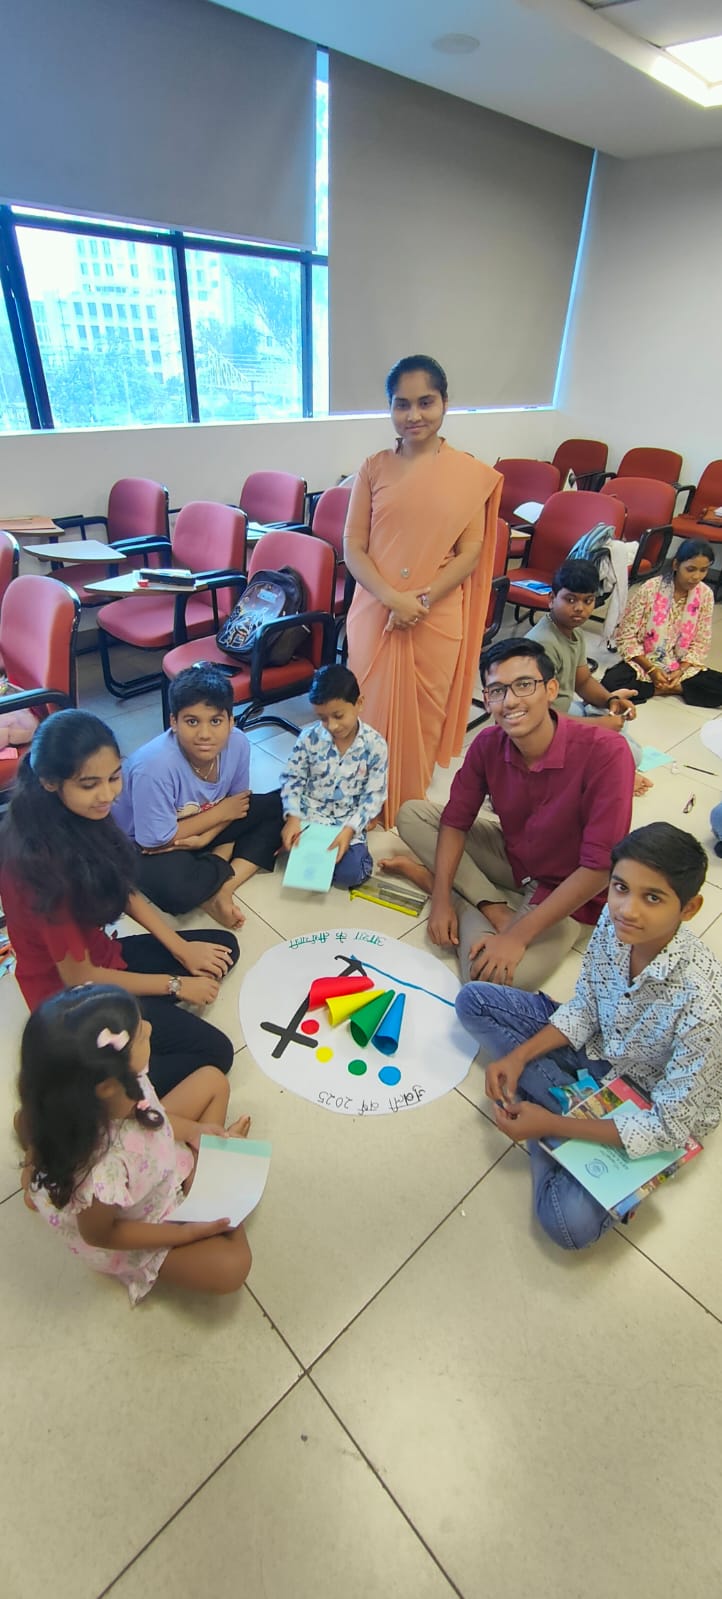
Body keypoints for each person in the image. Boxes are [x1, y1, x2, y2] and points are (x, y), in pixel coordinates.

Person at [455, 823, 722, 1251]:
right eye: (620, 887)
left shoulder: (704, 1005)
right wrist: (519, 1057)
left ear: (689, 908)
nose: (627, 909)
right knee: (474, 1000)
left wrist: (550, 1126)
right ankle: (557, 1101)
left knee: (567, 1223)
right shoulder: (613, 925)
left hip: (645, 1098)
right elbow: (585, 1008)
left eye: (653, 898)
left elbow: (670, 1126)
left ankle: (553, 1112)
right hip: (598, 1049)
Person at [0, 710, 239, 1095]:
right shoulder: (42, 869)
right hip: (73, 1000)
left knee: (222, 949)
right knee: (215, 1054)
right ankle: (97, 1091)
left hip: (101, 955)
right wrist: (176, 985)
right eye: (89, 784)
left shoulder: (77, 814)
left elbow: (121, 887)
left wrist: (181, 948)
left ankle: (141, 1016)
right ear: (49, 782)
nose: (108, 795)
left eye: (114, 777)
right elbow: (80, 978)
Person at [385, 638, 634, 990]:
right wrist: (440, 902)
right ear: (487, 700)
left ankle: (459, 896)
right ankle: (484, 902)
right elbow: (455, 821)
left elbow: (598, 869)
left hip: (568, 891)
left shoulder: (606, 752)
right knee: (412, 814)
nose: (511, 701)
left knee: (489, 979)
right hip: (515, 859)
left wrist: (517, 936)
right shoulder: (488, 744)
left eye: (524, 685)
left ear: (550, 690)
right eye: (497, 691)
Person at [16, 985, 252, 1301]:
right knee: (233, 1267)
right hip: (140, 1222)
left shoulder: (120, 1084)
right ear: (107, 1086)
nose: (150, 1029)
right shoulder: (102, 1173)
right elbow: (102, 1234)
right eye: (140, 1034)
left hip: (151, 1156)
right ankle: (37, 1177)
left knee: (213, 1081)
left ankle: (35, 1161)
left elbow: (156, 1116)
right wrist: (184, 1232)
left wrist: (196, 1131)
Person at [344, 354, 502, 826]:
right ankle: (364, 796)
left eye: (425, 402)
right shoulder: (373, 468)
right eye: (402, 404)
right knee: (367, 705)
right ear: (390, 407)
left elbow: (471, 552)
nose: (413, 415)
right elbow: (353, 547)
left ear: (445, 403)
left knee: (425, 713)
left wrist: (422, 601)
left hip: (437, 614)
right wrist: (394, 599)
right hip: (376, 611)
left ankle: (408, 801)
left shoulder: (469, 474)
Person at [114, 664, 283, 927]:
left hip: (194, 830)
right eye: (192, 721)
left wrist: (208, 837)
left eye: (215, 721)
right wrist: (220, 816)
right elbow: (154, 840)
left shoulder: (238, 742)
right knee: (178, 892)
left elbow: (238, 806)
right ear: (174, 722)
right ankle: (210, 877)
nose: (204, 734)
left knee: (280, 805)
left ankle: (223, 888)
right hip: (145, 843)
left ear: (230, 721)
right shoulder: (154, 767)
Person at [527, 558, 651, 795]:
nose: (579, 608)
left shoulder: (573, 632)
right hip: (543, 729)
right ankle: (614, 774)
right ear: (552, 598)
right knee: (630, 754)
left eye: (588, 600)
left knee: (617, 723)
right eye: (570, 599)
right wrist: (599, 726)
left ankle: (611, 762)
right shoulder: (542, 644)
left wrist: (611, 700)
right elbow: (539, 718)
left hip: (562, 711)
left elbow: (582, 681)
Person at [280, 665, 387, 887]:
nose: (332, 726)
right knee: (296, 855)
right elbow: (292, 778)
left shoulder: (375, 745)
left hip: (347, 822)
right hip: (311, 815)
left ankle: (349, 857)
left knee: (351, 874)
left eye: (338, 716)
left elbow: (374, 795)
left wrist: (350, 830)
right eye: (322, 718)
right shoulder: (309, 738)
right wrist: (293, 818)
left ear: (359, 703)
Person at [602, 539, 722, 708]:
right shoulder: (650, 588)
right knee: (610, 683)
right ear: (676, 565)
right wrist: (652, 670)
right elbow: (626, 636)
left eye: (703, 570)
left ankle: (667, 688)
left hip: (681, 665)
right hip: (646, 661)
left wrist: (680, 670)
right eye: (690, 569)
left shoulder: (705, 594)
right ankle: (669, 688)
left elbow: (701, 642)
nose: (696, 577)